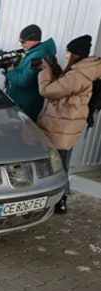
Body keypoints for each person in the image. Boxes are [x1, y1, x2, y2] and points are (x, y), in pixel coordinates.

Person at [37, 34, 101, 214]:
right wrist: (55, 68)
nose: (65, 55)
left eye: (68, 52)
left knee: (59, 165)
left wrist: (45, 69)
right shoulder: (83, 70)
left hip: (63, 127)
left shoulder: (79, 73)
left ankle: (60, 200)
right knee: (60, 162)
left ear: (75, 54)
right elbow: (64, 87)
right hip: (65, 125)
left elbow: (48, 90)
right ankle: (58, 199)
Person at [6, 24, 57, 122]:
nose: (21, 45)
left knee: (21, 135)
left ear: (32, 40)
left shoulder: (37, 55)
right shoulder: (35, 53)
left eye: (22, 41)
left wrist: (10, 71)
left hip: (26, 105)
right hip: (26, 102)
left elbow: (24, 81)